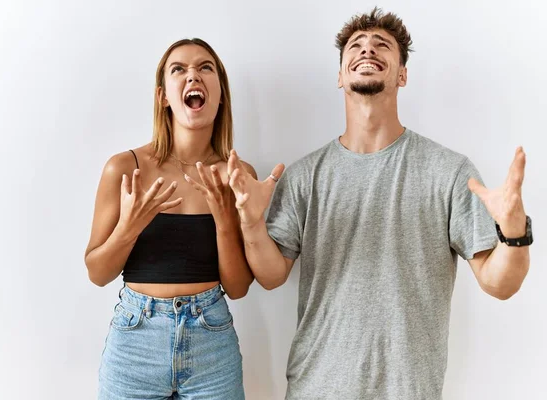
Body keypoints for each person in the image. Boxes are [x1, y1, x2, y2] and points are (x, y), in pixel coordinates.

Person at [226, 7, 532, 399]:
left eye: (381, 45)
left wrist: (513, 232)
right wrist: (251, 222)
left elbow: (498, 283)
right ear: (340, 76)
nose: (367, 50)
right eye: (356, 45)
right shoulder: (304, 176)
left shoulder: (449, 171)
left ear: (402, 74)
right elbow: (271, 276)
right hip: (316, 388)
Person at [84, 38, 256, 400]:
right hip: (135, 343)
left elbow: (238, 288)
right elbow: (98, 273)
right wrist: (128, 229)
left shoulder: (237, 175)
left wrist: (224, 221)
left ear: (220, 93)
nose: (193, 74)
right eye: (179, 69)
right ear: (163, 96)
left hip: (212, 342)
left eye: (205, 67)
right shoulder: (124, 168)